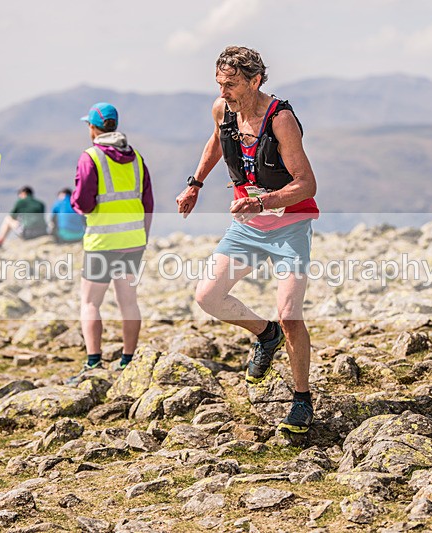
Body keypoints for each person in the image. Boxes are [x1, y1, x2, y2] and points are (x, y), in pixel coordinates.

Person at [176, 46, 319, 434]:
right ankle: (263, 333)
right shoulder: (223, 110)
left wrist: (265, 201)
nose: (224, 91)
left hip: (289, 224)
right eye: (220, 83)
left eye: (233, 84)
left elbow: (307, 184)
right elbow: (215, 143)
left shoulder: (282, 120)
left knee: (290, 312)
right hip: (248, 227)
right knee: (208, 296)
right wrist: (195, 184)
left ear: (256, 81)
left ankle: (302, 401)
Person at [67, 102, 153, 384]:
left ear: (93, 128)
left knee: (90, 302)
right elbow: (147, 203)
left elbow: (82, 203)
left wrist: (76, 204)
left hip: (102, 241)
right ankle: (127, 359)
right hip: (133, 240)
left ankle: (93, 362)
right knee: (128, 301)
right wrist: (143, 237)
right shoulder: (137, 158)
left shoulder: (90, 157)